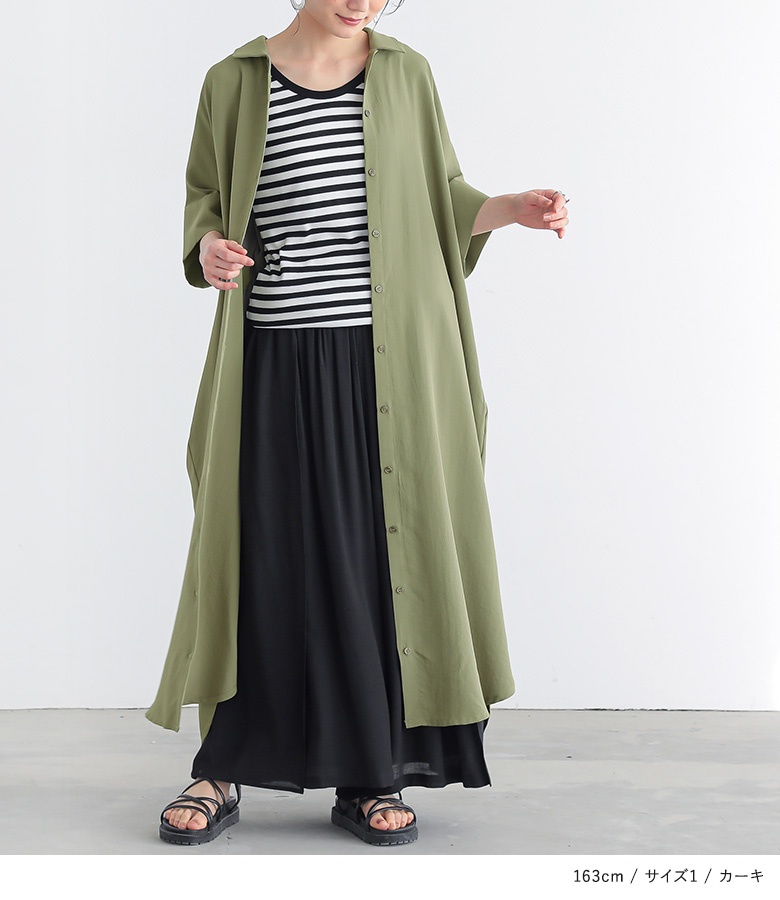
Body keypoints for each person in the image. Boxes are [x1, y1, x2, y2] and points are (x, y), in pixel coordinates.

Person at [151, 0, 569, 848]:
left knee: (380, 559)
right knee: (260, 556)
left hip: (388, 362)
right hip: (269, 357)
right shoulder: (233, 80)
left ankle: (372, 772)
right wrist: (210, 247)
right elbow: (205, 203)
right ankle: (222, 767)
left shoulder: (406, 74)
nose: (364, 2)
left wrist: (509, 207)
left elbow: (441, 196)